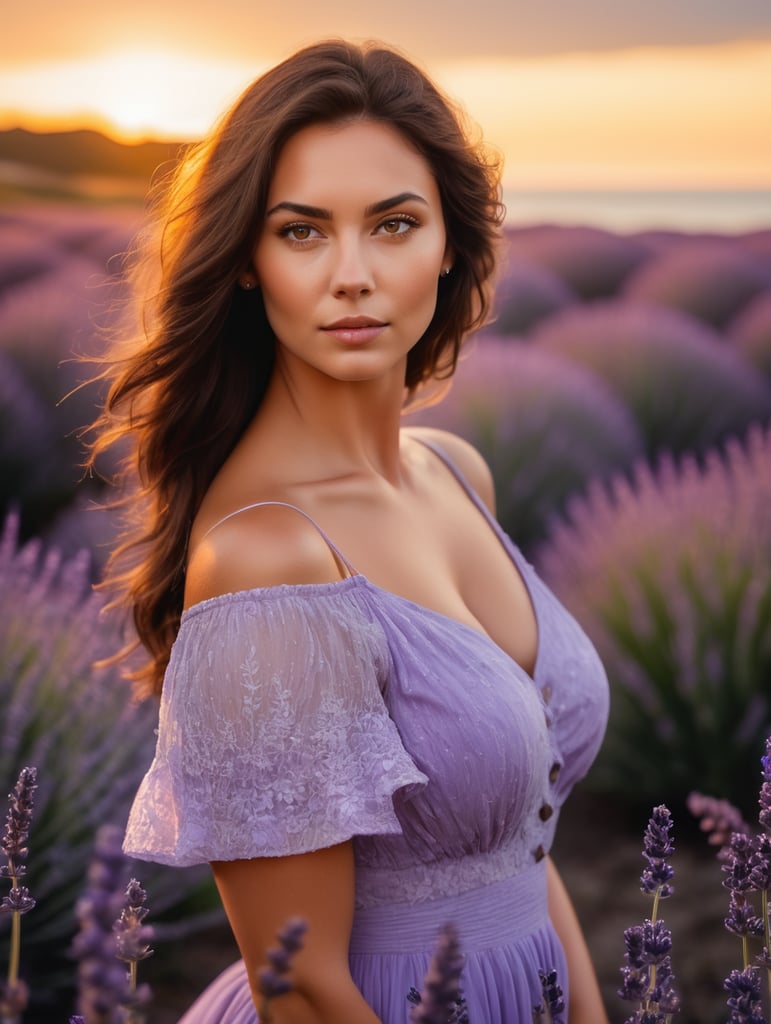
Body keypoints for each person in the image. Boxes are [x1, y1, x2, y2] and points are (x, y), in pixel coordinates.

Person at [92, 39, 610, 1024]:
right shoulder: (270, 558)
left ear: (452, 242)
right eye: (302, 232)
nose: (353, 275)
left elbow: (523, 849)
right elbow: (302, 986)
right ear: (246, 261)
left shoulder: (455, 472)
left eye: (394, 224)